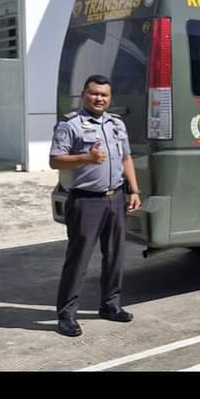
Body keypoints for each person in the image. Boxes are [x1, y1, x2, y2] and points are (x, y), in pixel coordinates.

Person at [49, 75, 142, 337]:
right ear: (84, 95)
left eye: (104, 95)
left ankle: (110, 305)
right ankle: (66, 314)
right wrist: (86, 158)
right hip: (86, 201)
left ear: (110, 98)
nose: (99, 98)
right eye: (94, 93)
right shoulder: (70, 125)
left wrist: (134, 190)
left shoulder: (116, 124)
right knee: (78, 259)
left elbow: (126, 158)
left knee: (115, 256)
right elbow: (55, 160)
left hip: (116, 198)